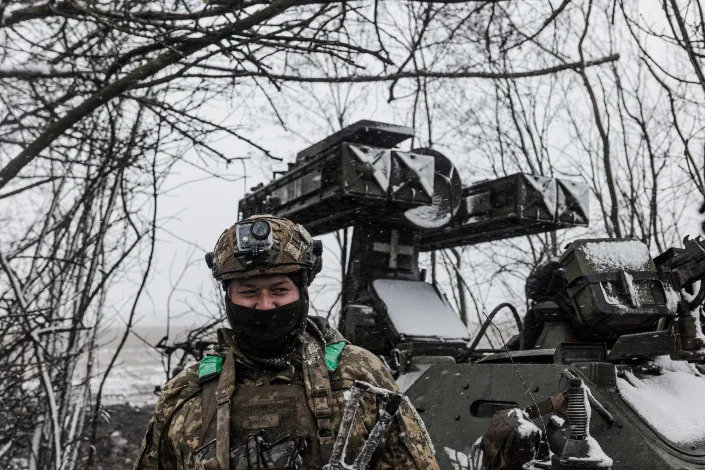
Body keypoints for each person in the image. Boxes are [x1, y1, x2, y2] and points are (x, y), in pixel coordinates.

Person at [133, 214, 439, 470]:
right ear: (229, 297)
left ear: (301, 292)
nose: (265, 305)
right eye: (249, 292)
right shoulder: (186, 393)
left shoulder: (359, 375)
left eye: (279, 290)